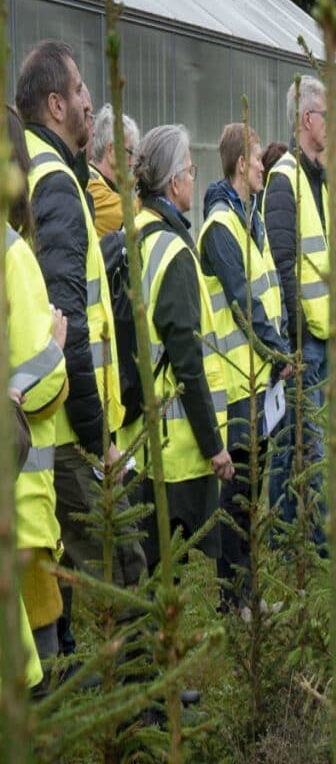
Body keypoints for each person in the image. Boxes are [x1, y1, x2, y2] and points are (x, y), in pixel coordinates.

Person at [17, 40, 145, 657]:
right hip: (71, 431)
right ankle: (142, 713)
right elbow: (66, 328)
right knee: (121, 568)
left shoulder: (43, 176)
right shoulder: (59, 191)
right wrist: (101, 441)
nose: (92, 105)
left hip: (57, 426)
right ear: (54, 104)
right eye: (81, 95)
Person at [122, 124, 234, 573]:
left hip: (136, 442)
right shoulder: (173, 252)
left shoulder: (135, 234)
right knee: (160, 575)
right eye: (190, 169)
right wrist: (214, 445)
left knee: (143, 573)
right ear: (173, 182)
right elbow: (187, 359)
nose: (194, 177)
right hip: (173, 456)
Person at [198, 123, 291, 612]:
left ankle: (245, 596)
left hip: (257, 378)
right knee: (235, 493)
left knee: (248, 489)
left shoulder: (247, 221)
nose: (263, 167)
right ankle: (233, 600)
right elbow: (243, 304)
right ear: (240, 165)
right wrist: (279, 352)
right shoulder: (221, 228)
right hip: (235, 381)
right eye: (258, 160)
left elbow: (266, 297)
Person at [263, 75, 336, 548]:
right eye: (327, 117)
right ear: (306, 120)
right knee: (300, 441)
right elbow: (283, 266)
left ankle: (303, 519)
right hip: (305, 340)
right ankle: (308, 539)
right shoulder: (284, 181)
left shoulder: (319, 178)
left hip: (329, 332)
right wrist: (292, 345)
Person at [4, 105, 70, 693]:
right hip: (21, 502)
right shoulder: (12, 255)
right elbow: (40, 385)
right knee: (39, 675)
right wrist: (57, 346)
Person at [87, 103, 140, 235]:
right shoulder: (90, 187)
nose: (133, 163)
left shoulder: (101, 185)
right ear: (111, 150)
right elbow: (139, 213)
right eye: (129, 152)